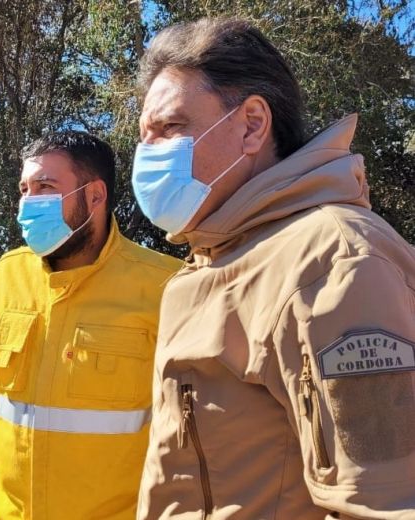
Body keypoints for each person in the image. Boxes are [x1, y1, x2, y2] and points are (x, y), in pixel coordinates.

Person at [133, 17, 415, 519]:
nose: (148, 153)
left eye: (170, 128)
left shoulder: (336, 262)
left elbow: (385, 502)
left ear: (252, 125)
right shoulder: (208, 262)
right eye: (145, 136)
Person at [0, 131, 181, 519]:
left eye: (45, 187)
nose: (28, 202)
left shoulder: (166, 286)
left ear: (95, 196)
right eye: (24, 189)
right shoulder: (4, 275)